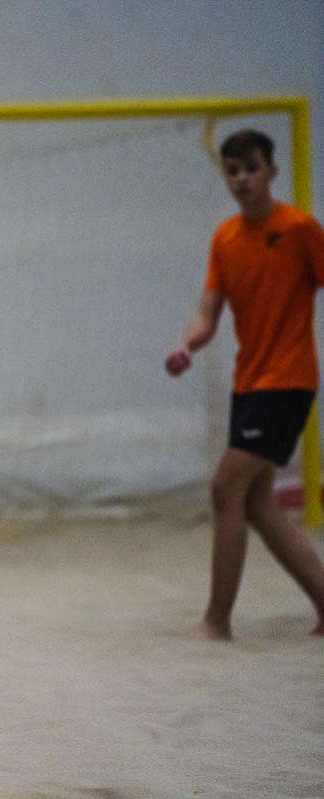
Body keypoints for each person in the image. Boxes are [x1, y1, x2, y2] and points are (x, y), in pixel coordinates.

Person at [165, 128, 324, 640]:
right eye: (232, 171)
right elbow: (207, 314)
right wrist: (188, 345)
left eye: (252, 168)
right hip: (249, 383)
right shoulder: (225, 239)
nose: (242, 179)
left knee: (225, 486)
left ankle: (216, 621)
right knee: (256, 502)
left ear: (271, 172)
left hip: (288, 380)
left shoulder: (299, 229)